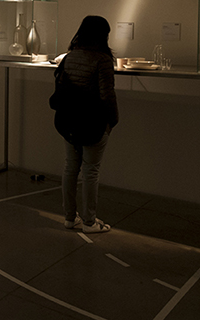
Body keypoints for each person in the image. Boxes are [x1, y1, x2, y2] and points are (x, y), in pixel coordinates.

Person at [49, 16, 118, 234]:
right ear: (103, 36)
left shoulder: (70, 56)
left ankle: (70, 218)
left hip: (69, 120)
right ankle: (89, 222)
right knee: (91, 171)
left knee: (70, 167)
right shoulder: (102, 60)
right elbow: (107, 95)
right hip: (93, 122)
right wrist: (112, 121)